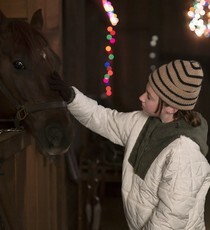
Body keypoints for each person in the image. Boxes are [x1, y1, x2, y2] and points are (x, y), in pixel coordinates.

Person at [49, 59, 210, 229]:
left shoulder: (184, 153)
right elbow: (104, 119)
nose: (141, 97)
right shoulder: (141, 122)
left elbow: (169, 220)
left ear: (170, 107)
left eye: (149, 96)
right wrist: (72, 97)